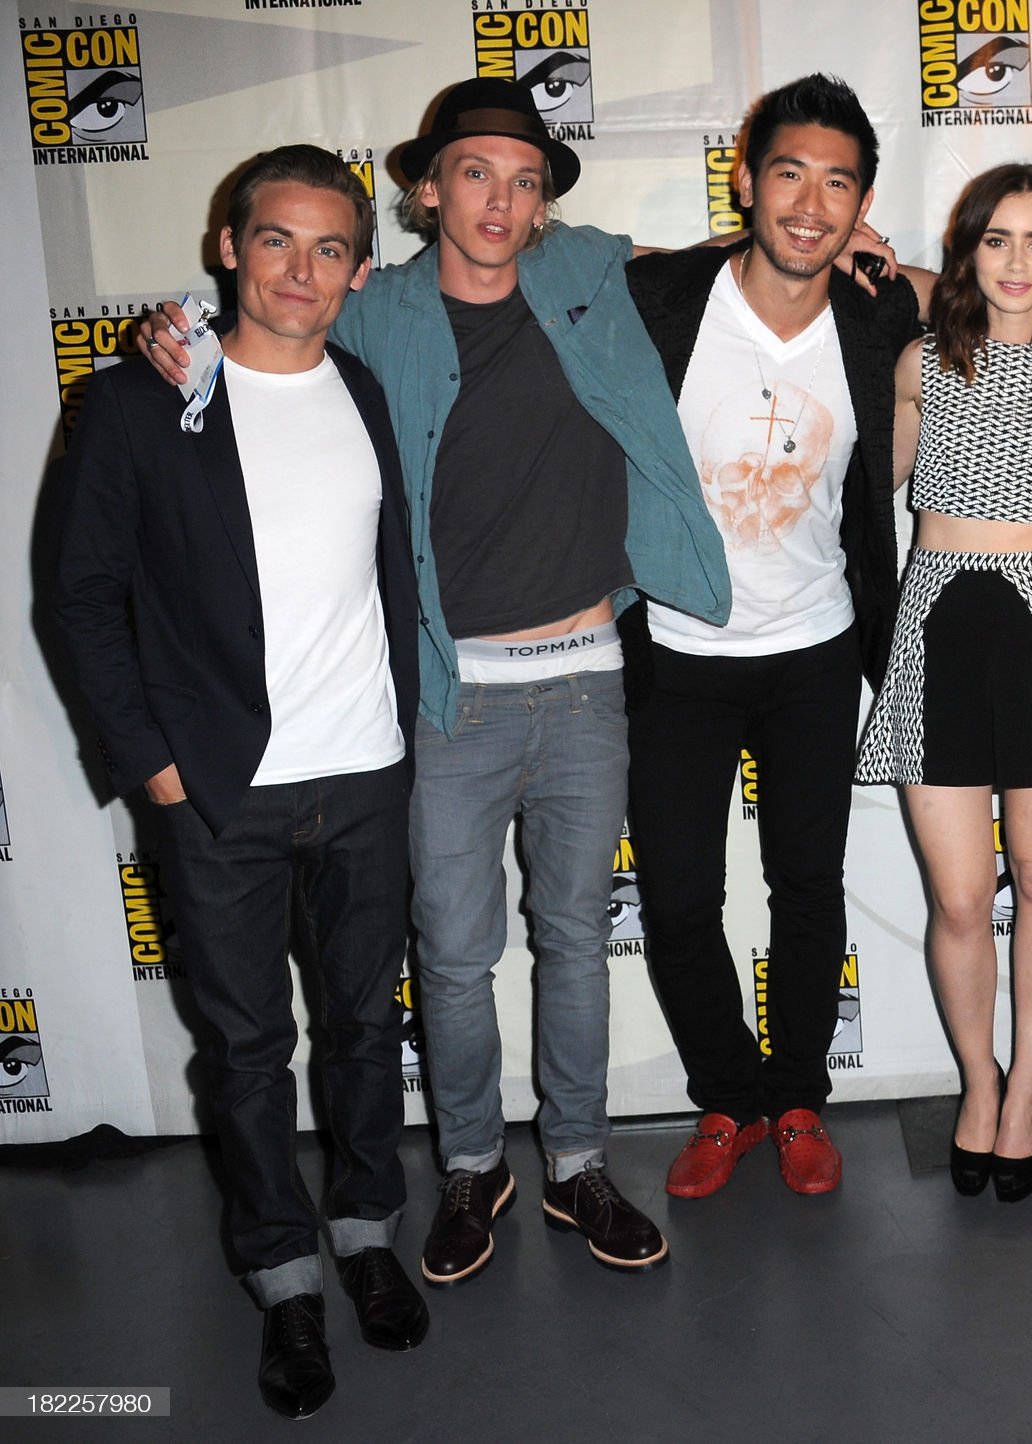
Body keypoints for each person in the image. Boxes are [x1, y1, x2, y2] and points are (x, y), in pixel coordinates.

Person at [142, 78, 730, 1284]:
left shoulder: (590, 275)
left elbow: (728, 264)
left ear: (546, 202)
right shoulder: (375, 311)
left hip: (587, 681)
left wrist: (872, 259)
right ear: (425, 190)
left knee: (574, 941)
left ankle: (575, 1161)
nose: (500, 200)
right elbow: (265, 334)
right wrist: (178, 339)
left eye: (525, 180)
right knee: (453, 955)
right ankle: (470, 1164)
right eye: (474, 173)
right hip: (447, 696)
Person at [55, 145, 427, 1418]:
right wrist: (153, 765)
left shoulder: (361, 387)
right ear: (228, 246)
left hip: (365, 773)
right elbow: (81, 597)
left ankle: (366, 1233)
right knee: (248, 1049)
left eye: (330, 249)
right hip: (219, 790)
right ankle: (282, 1277)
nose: (300, 271)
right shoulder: (141, 399)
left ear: (360, 270)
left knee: (366, 1026)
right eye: (276, 240)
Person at [620, 74, 923, 1200]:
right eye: (788, 174)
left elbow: (1002, 293)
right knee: (676, 898)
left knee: (806, 885)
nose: (809, 203)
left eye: (837, 184)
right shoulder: (663, 298)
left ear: (862, 205)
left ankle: (795, 1098)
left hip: (814, 649)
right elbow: (534, 274)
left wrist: (898, 268)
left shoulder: (876, 315)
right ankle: (727, 1099)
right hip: (673, 653)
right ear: (745, 180)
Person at [854, 163, 1032, 1204]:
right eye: (996, 239)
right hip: (934, 631)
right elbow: (869, 485)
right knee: (962, 898)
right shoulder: (923, 361)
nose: (1017, 262)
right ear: (967, 253)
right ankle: (978, 1083)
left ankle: (1027, 1094)